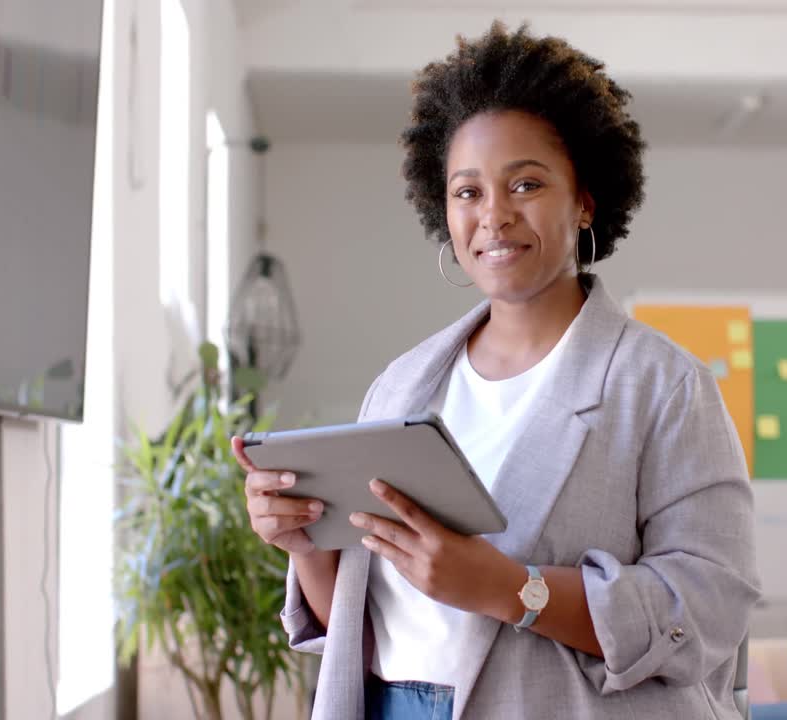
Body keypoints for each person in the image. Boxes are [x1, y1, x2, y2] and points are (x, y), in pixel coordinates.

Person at [232, 22, 759, 720]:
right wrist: (306, 548)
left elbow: (711, 607)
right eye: (468, 192)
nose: (495, 216)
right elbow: (366, 624)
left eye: (527, 183)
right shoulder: (403, 384)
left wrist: (514, 589)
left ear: (585, 200)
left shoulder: (664, 387)